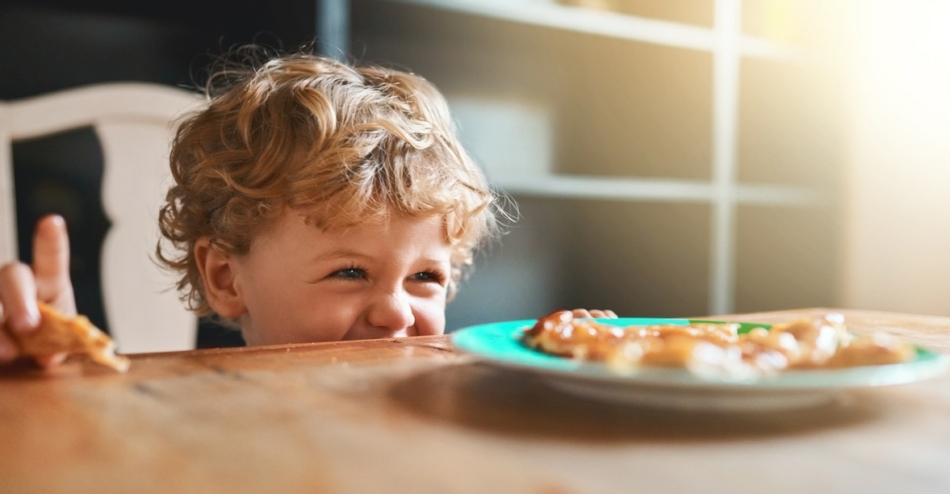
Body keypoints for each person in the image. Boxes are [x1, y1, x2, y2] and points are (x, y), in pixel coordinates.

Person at [0, 46, 613, 366]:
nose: (396, 314)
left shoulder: (445, 400)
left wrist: (567, 368)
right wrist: (45, 396)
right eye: (350, 271)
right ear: (225, 277)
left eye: (427, 276)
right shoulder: (196, 434)